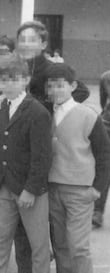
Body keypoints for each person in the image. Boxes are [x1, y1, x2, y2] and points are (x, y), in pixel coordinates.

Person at [0, 54, 52, 273]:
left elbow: (42, 157)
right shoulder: (0, 107)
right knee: (0, 238)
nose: (8, 84)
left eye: (14, 79)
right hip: (4, 185)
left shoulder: (37, 111)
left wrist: (31, 190)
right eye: (3, 80)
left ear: (25, 80)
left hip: (29, 189)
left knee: (38, 243)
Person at [46, 63, 110, 273]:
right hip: (52, 188)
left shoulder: (88, 115)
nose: (55, 90)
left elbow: (104, 154)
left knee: (78, 247)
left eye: (60, 85)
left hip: (80, 190)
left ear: (73, 86)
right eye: (50, 86)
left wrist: (97, 189)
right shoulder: (45, 115)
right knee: (60, 245)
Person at [16, 20, 89, 113]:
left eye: (31, 40)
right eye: (22, 40)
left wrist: (50, 106)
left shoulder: (51, 68)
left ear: (43, 45)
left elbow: (82, 91)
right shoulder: (17, 67)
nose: (26, 45)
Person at [95, 70, 110, 228]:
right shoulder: (105, 77)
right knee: (105, 167)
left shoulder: (106, 77)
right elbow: (103, 101)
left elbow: (103, 101)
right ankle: (97, 211)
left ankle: (97, 211)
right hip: (107, 125)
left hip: (107, 121)